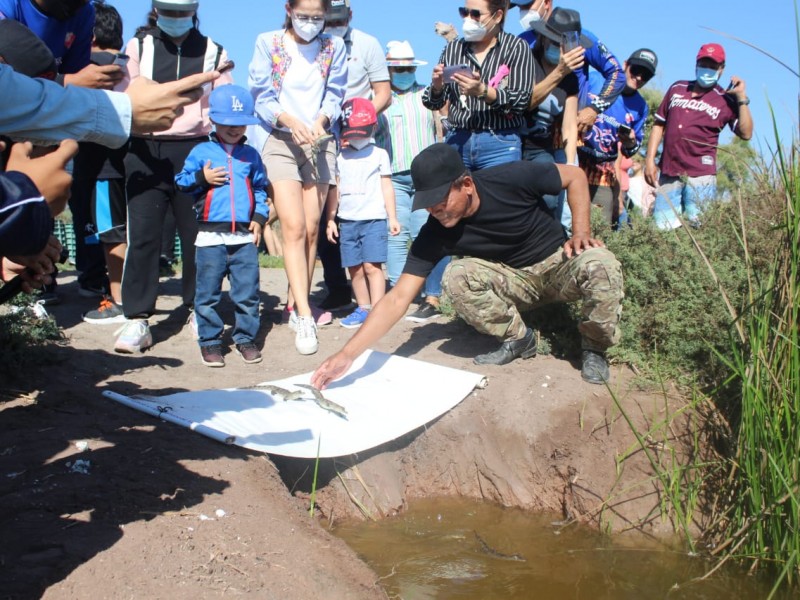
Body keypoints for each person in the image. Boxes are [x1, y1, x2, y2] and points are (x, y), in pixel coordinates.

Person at [311, 143, 624, 390]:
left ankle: (594, 348)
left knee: (601, 263)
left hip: (558, 265)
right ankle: (519, 338)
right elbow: (397, 298)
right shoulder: (436, 231)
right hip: (515, 280)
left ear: (467, 185)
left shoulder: (512, 177)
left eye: (441, 200)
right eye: (427, 204)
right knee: (456, 275)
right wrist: (347, 355)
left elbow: (575, 176)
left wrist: (581, 231)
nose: (435, 211)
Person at [113, 0, 234, 354]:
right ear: (156, 10)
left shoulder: (215, 51)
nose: (176, 18)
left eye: (183, 12)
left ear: (194, 11)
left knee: (198, 236)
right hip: (145, 148)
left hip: (195, 148)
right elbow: (124, 94)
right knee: (144, 236)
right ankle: (137, 318)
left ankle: (201, 309)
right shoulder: (138, 46)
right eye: (168, 10)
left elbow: (222, 101)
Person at [248, 0, 347, 355]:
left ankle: (297, 300)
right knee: (290, 226)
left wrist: (320, 123)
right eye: (303, 16)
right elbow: (260, 95)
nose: (309, 23)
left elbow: (336, 95)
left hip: (320, 142)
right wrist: (289, 121)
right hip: (280, 140)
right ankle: (304, 315)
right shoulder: (268, 42)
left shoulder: (334, 47)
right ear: (288, 10)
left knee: (309, 229)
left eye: (316, 17)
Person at [175, 85, 269, 367]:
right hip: (210, 237)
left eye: (241, 123)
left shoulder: (251, 155)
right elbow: (181, 182)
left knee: (247, 294)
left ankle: (245, 339)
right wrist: (201, 178)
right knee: (207, 295)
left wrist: (259, 218)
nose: (235, 128)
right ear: (214, 120)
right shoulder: (201, 151)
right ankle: (211, 343)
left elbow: (261, 189)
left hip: (242, 237)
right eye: (228, 122)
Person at [316, 0, 392, 314]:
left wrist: (357, 121)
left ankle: (376, 296)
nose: (333, 25)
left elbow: (383, 92)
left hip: (364, 132)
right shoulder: (311, 42)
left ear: (350, 15)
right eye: (327, 20)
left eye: (338, 19)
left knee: (367, 205)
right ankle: (337, 288)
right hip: (324, 135)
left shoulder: (367, 44)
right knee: (328, 213)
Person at [373, 40, 446, 323]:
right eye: (398, 68)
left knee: (429, 234)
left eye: (408, 67)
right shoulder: (378, 98)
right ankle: (399, 291)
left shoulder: (428, 96)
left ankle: (433, 295)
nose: (404, 71)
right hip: (393, 176)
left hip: (426, 177)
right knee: (395, 234)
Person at [646, 43, 753, 230]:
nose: (707, 70)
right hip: (670, 171)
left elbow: (746, 133)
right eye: (704, 64)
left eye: (713, 66)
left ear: (721, 69)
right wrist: (649, 161)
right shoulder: (677, 88)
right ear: (696, 64)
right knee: (663, 228)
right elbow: (658, 125)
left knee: (699, 228)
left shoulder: (725, 99)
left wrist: (741, 98)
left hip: (701, 175)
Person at [422, 0, 533, 171]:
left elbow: (521, 101)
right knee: (458, 198)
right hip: (457, 141)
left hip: (500, 143)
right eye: (464, 12)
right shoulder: (453, 49)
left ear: (497, 16)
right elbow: (432, 103)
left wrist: (483, 91)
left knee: (498, 197)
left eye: (475, 14)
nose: (468, 19)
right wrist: (437, 87)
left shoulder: (516, 48)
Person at [77, 1, 131, 323]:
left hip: (102, 168)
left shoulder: (90, 67)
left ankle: (118, 302)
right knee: (123, 232)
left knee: (111, 233)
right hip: (126, 164)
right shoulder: (128, 65)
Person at [325, 98, 399, 329]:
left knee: (372, 266)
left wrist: (392, 216)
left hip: (374, 219)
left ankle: (378, 309)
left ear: (373, 128)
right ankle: (363, 307)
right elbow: (334, 189)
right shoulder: (340, 157)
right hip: (347, 221)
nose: (356, 136)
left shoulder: (379, 154)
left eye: (361, 131)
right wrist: (330, 219)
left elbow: (387, 186)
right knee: (354, 268)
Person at [511, 2, 625, 137]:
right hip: (524, 131)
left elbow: (617, 73)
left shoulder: (582, 40)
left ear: (546, 3)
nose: (523, 11)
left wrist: (594, 109)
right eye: (520, 7)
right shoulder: (522, 40)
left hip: (566, 134)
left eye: (528, 6)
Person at [578, 48, 656, 225]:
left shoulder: (641, 107)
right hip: (575, 159)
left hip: (603, 172)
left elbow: (632, 150)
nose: (639, 78)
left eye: (646, 76)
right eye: (636, 70)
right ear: (625, 65)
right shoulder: (596, 80)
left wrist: (630, 141)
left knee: (599, 229)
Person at [519, 9, 580, 221]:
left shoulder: (571, 80)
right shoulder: (526, 60)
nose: (557, 47)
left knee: (551, 198)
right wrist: (559, 72)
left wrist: (571, 164)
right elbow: (527, 102)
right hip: (513, 142)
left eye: (561, 44)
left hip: (540, 148)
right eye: (554, 41)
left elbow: (569, 126)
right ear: (543, 38)